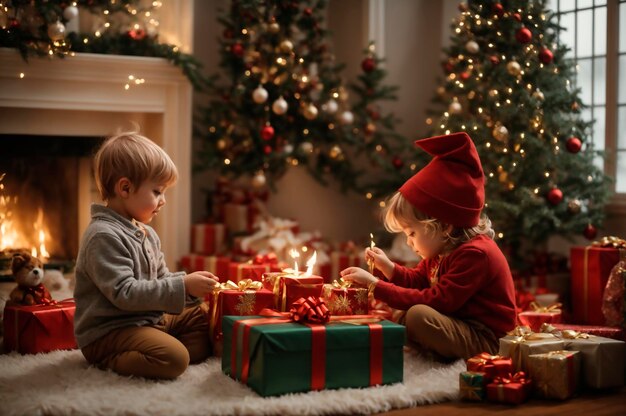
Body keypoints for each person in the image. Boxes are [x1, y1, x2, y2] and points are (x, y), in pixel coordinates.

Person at [341, 132, 516, 361]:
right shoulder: (443, 249)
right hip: (459, 323)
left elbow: (438, 300)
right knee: (404, 312)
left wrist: (376, 286)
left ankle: (436, 350)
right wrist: (389, 269)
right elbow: (419, 280)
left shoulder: (476, 255)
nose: (409, 241)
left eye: (412, 233)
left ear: (443, 227)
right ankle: (429, 346)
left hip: (487, 339)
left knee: (418, 316)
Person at [74, 131, 219, 379]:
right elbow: (125, 293)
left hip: (147, 320)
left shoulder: (147, 234)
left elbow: (161, 279)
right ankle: (109, 359)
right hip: (111, 331)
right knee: (175, 359)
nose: (162, 201)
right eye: (157, 191)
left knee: (203, 318)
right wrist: (183, 286)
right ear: (125, 188)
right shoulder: (102, 236)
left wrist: (191, 290)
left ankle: (155, 344)